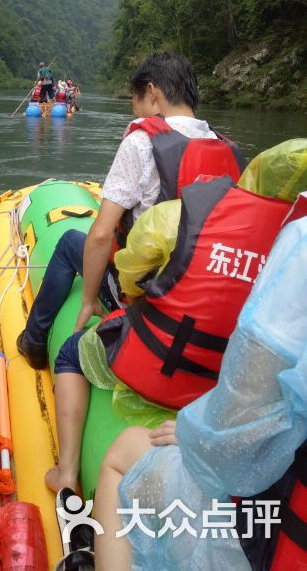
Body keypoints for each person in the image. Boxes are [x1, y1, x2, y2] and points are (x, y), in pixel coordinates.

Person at [44, 140, 307, 494]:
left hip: (159, 367)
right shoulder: (295, 248)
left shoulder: (179, 214)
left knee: (72, 351)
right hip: (224, 398)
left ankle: (66, 474)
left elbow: (130, 277)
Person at [93, 194, 307, 571]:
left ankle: (64, 474)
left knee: (122, 452)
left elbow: (233, 445)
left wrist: (196, 436)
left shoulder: (300, 247)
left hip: (266, 537)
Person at [17, 53, 246, 370]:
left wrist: (88, 300)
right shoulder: (228, 149)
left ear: (152, 92)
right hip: (205, 302)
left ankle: (34, 340)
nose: (134, 109)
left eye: (135, 100)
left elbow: (100, 235)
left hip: (146, 297)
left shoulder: (142, 140)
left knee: (71, 240)